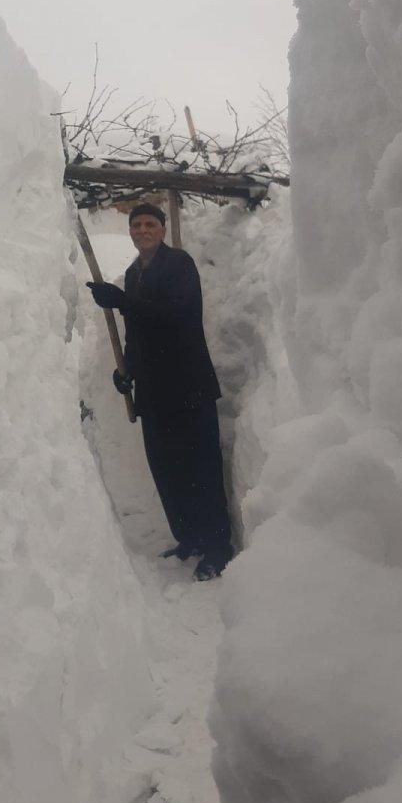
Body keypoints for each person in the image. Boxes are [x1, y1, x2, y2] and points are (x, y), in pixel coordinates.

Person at [87, 202, 234, 581]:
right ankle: (189, 538)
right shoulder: (134, 273)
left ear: (162, 229)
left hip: (188, 387)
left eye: (150, 223)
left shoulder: (180, 265)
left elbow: (176, 316)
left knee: (200, 469)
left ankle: (218, 548)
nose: (142, 230)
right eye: (136, 225)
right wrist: (127, 374)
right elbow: (138, 335)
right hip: (154, 394)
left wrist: (122, 301)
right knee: (168, 471)